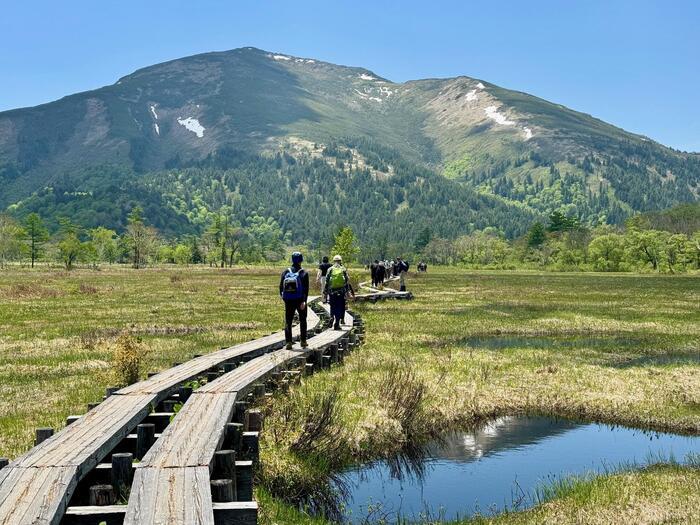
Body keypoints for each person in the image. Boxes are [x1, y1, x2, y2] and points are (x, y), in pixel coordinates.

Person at [280, 251, 309, 349]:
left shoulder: (286, 272)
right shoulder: (304, 273)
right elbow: (306, 289)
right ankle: (303, 341)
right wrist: (304, 301)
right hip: (300, 300)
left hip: (289, 300)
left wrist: (284, 298)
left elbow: (280, 288)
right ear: (301, 260)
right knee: (303, 320)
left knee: (288, 321)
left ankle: (288, 342)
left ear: (292, 260)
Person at [324, 254, 354, 329]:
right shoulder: (343, 269)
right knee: (339, 306)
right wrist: (348, 292)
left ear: (334, 261)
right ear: (340, 261)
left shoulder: (330, 269)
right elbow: (347, 281)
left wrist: (325, 291)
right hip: (341, 291)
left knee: (332, 305)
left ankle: (331, 317)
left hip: (332, 291)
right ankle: (337, 323)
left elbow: (327, 281)